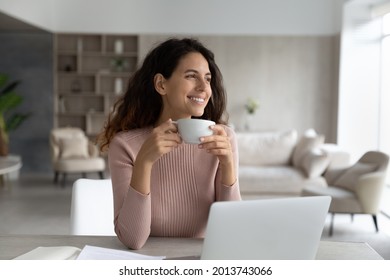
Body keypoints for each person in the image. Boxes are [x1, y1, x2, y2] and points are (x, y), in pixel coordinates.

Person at [97, 37, 241, 250]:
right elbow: (133, 240)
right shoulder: (125, 145)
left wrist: (228, 166)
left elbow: (233, 233)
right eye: (192, 76)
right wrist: (144, 162)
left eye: (208, 78)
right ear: (161, 84)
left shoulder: (222, 138)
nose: (204, 87)